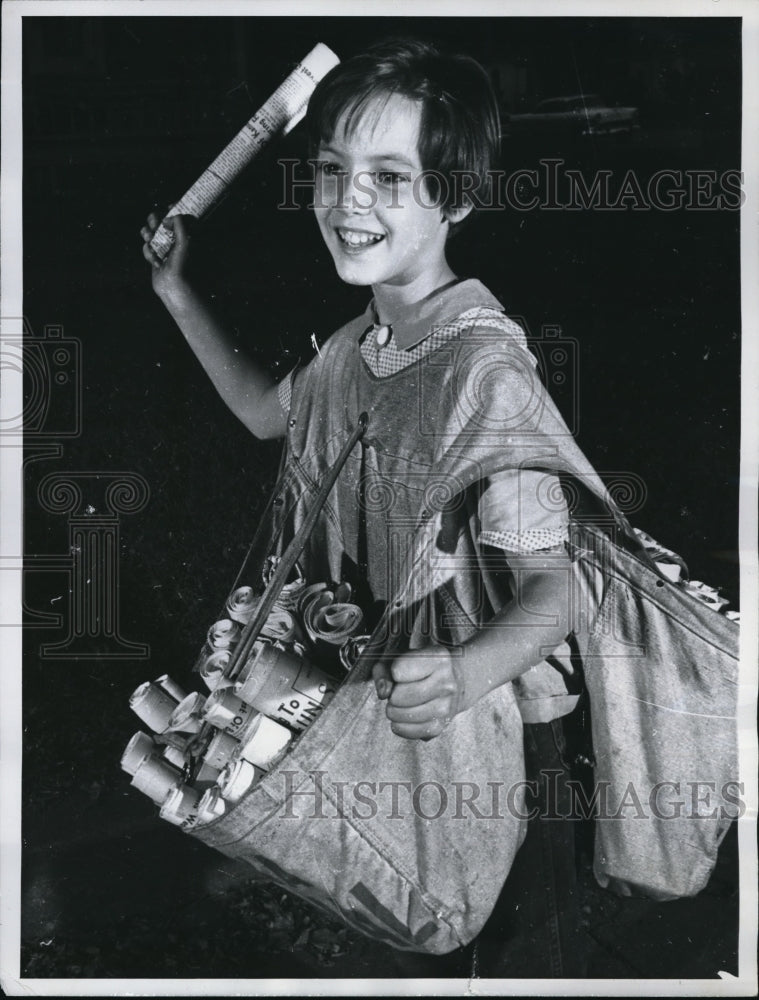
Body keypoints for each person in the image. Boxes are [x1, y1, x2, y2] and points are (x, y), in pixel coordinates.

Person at [140, 37, 605, 978]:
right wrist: (178, 292)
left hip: (501, 748)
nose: (348, 200)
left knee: (512, 960)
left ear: (457, 198)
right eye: (331, 169)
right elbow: (271, 415)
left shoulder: (483, 371)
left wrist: (468, 669)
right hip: (393, 724)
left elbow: (557, 588)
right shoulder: (363, 339)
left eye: (390, 177)